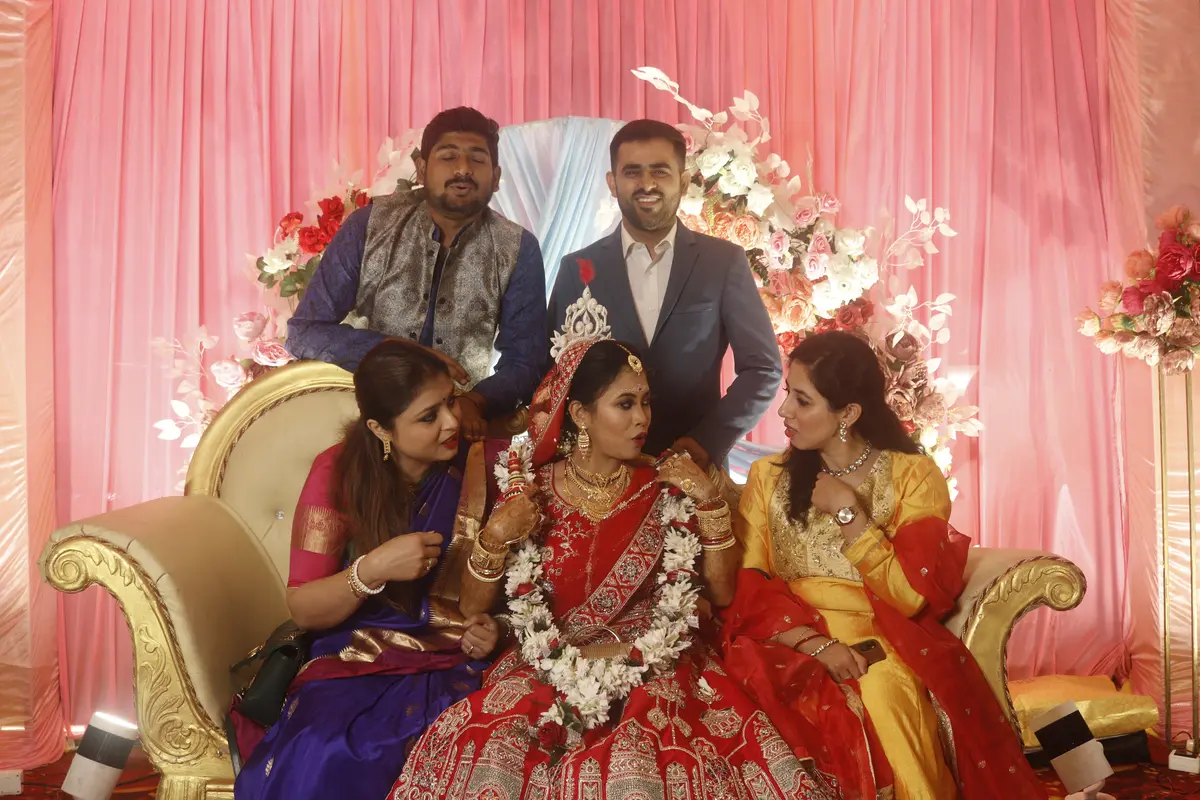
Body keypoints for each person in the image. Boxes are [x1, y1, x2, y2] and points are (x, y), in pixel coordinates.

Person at [389, 291, 859, 800]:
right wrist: (496, 536)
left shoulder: (666, 487)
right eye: (626, 404)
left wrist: (709, 503)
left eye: (646, 402)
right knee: (492, 753)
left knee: (641, 768)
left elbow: (722, 594)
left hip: (656, 668)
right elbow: (474, 608)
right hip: (547, 667)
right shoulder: (532, 490)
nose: (643, 419)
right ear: (580, 415)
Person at [728, 330, 1047, 799]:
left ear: (848, 413)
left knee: (884, 697)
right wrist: (813, 643)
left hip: (878, 637)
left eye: (802, 400)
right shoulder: (768, 476)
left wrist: (848, 514)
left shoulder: (912, 476)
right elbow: (751, 582)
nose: (784, 411)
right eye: (787, 394)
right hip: (784, 634)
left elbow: (911, 596)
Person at [232, 340, 531, 800]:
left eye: (451, 401)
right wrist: (373, 568)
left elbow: (526, 584)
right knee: (330, 747)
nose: (453, 421)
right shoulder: (338, 473)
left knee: (478, 744)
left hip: (460, 655)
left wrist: (497, 627)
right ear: (380, 428)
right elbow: (305, 607)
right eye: (429, 416)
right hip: (356, 656)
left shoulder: (486, 464)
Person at [286, 107, 548, 440]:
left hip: (454, 430)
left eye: (477, 159)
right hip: (360, 424)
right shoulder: (369, 226)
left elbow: (526, 362)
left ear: (496, 178)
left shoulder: (517, 248)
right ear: (422, 169)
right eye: (449, 157)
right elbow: (303, 333)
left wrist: (476, 401)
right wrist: (393, 350)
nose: (463, 169)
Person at [547, 119, 781, 468]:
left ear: (683, 182)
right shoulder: (578, 268)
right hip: (602, 474)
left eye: (660, 171)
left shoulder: (722, 262)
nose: (646, 184)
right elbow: (554, 374)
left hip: (693, 467)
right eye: (632, 172)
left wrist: (707, 440)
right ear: (612, 183)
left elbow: (763, 368)